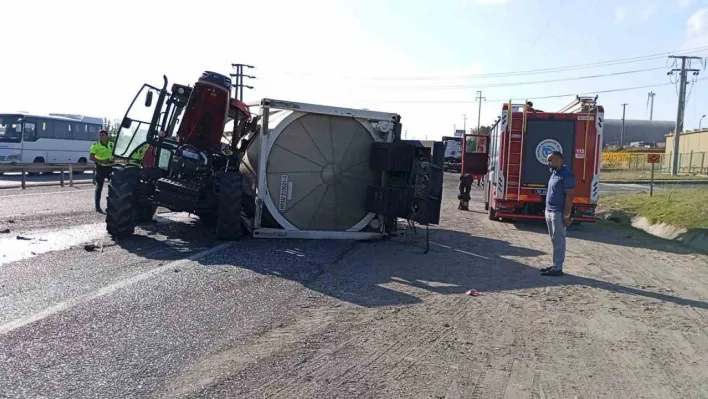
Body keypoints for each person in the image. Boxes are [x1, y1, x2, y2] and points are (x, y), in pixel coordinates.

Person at [541, 151, 574, 277]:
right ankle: (555, 264)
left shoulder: (567, 175)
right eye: (548, 160)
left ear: (559, 160)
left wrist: (566, 216)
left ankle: (558, 268)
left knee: (559, 240)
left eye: (551, 160)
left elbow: (570, 197)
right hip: (549, 211)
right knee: (554, 239)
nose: (548, 163)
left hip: (558, 213)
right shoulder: (554, 173)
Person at [89, 129, 114, 213]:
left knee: (113, 188)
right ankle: (97, 207)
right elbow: (91, 157)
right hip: (100, 168)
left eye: (103, 135)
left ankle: (111, 206)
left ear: (106, 136)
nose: (101, 136)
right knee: (99, 187)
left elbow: (115, 154)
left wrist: (113, 160)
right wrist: (102, 161)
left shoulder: (111, 144)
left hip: (110, 168)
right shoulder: (95, 145)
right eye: (100, 135)